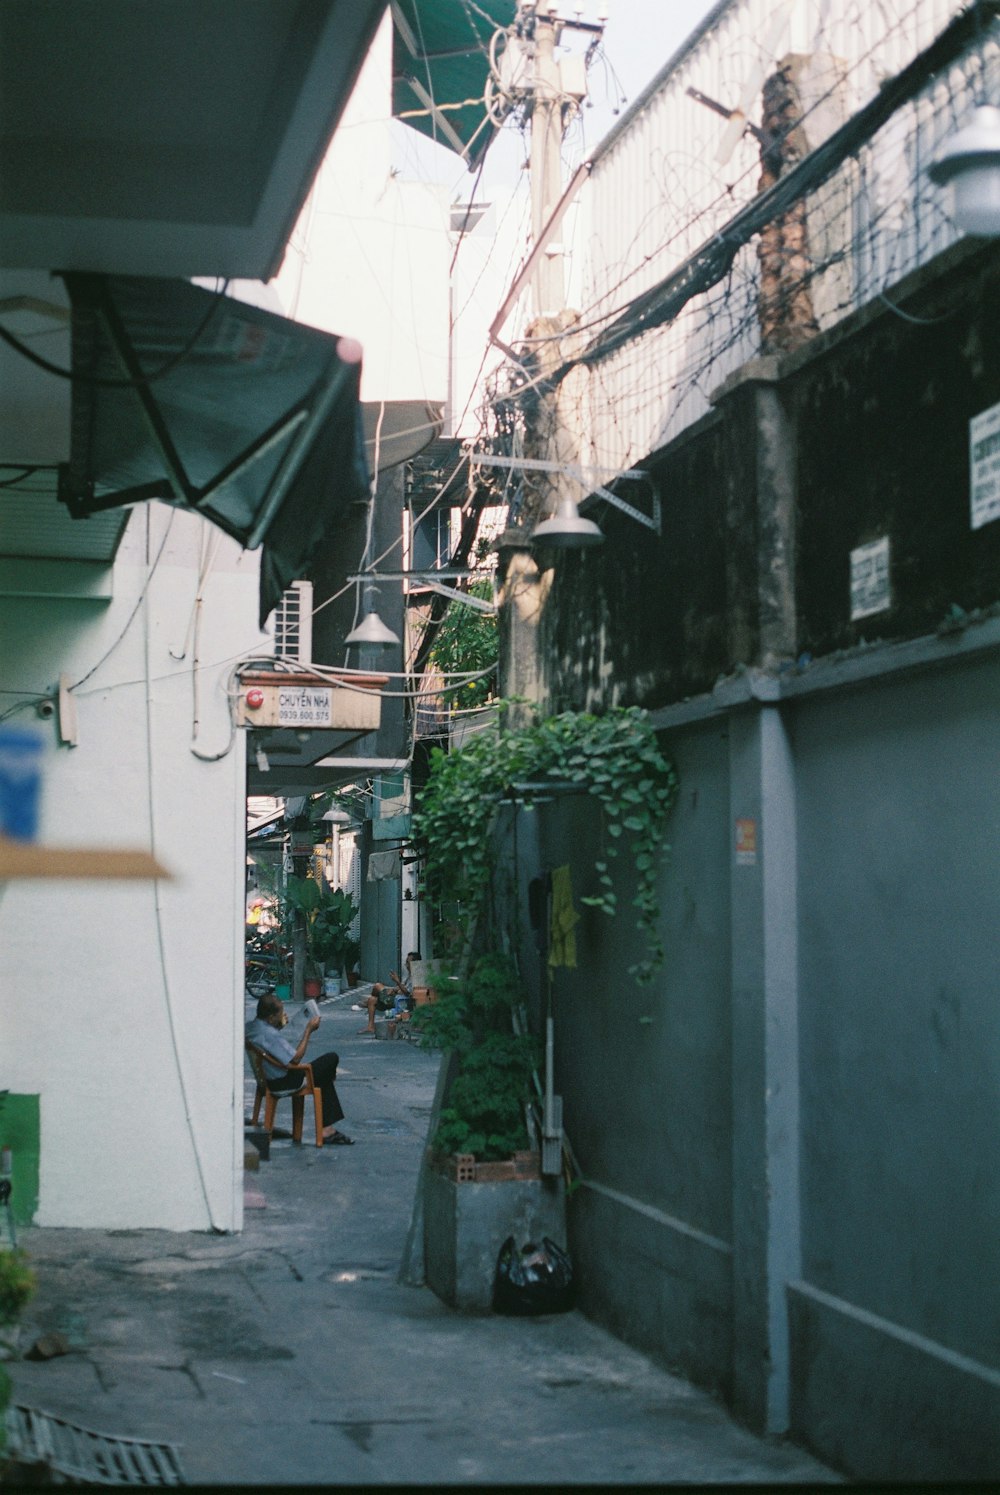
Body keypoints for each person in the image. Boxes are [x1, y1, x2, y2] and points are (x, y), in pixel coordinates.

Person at [247, 992, 353, 1144]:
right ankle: (326, 1130)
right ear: (271, 1017)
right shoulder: (269, 1034)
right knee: (331, 1059)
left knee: (324, 1076)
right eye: (280, 1013)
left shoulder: (253, 1027)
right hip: (284, 1081)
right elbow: (296, 1059)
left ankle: (328, 1129)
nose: (283, 1015)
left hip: (268, 1078)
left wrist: (278, 1025)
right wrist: (308, 1031)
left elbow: (270, 1045)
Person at [357, 952, 419, 1035]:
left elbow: (408, 993)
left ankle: (366, 1003)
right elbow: (403, 987)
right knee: (372, 1000)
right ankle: (370, 1027)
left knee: (377, 986)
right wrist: (394, 989)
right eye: (406, 963)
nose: (406, 966)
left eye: (408, 963)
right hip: (397, 997)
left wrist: (397, 981)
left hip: (402, 1002)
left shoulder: (418, 977)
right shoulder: (409, 975)